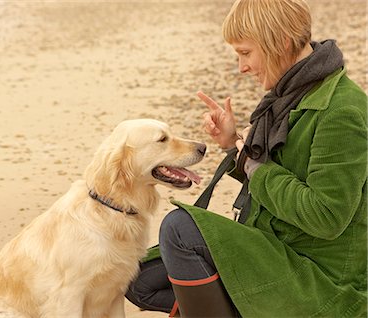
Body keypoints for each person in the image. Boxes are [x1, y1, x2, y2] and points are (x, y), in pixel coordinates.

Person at [125, 0, 367, 317]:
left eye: (245, 53)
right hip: (278, 251)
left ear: (280, 42)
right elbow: (281, 179)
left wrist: (255, 166)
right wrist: (231, 146)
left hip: (323, 281)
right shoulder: (290, 98)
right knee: (138, 278)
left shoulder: (342, 111)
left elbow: (325, 216)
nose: (242, 67)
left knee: (179, 229)